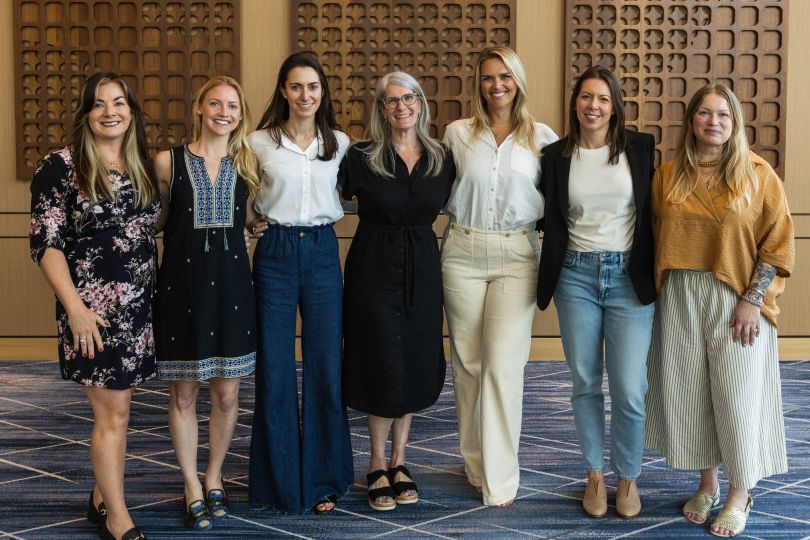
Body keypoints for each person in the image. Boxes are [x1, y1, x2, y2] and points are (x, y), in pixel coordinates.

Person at [644, 83, 794, 537]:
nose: (713, 122)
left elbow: (778, 242)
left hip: (736, 298)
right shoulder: (668, 175)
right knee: (690, 395)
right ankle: (706, 485)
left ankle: (739, 492)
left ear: (735, 124)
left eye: (723, 116)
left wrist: (752, 299)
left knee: (736, 396)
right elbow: (652, 235)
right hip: (678, 296)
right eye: (705, 114)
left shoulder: (758, 173)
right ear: (690, 121)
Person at [29, 72, 159, 540]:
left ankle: (101, 496)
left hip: (139, 309)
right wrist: (76, 309)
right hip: (92, 312)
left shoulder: (140, 164)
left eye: (119, 102)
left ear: (131, 110)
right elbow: (46, 244)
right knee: (114, 412)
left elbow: (147, 228)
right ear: (85, 113)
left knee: (122, 406)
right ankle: (118, 518)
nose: (110, 112)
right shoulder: (60, 167)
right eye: (99, 104)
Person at [536, 66, 656, 519]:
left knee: (629, 387)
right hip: (576, 277)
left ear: (615, 105)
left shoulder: (641, 148)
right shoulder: (554, 155)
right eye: (586, 97)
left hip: (628, 277)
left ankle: (628, 476)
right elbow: (539, 213)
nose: (593, 106)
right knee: (585, 382)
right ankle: (594, 474)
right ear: (575, 103)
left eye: (603, 99)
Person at [442, 47, 558, 507]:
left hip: (516, 252)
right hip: (462, 250)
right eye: (489, 78)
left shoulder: (543, 139)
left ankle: (501, 480)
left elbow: (559, 204)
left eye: (505, 77)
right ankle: (476, 463)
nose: (496, 85)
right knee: (468, 365)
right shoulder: (457, 134)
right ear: (479, 83)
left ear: (518, 81)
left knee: (503, 368)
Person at [340, 72, 456, 511]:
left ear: (421, 104)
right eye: (391, 101)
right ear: (381, 109)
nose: (401, 106)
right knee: (380, 358)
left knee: (411, 358)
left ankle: (401, 460)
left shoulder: (441, 156)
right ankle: (374, 462)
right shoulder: (361, 155)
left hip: (424, 265)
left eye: (409, 98)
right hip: (373, 265)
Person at [246, 52, 353, 514]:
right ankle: (279, 481)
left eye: (313, 87)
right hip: (276, 254)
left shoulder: (341, 143)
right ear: (283, 92)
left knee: (327, 364)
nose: (305, 95)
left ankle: (324, 478)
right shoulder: (257, 142)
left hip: (324, 252)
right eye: (296, 87)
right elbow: (241, 196)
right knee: (274, 366)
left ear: (322, 92)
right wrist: (252, 222)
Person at [153, 76, 260, 529]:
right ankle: (190, 482)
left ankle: (214, 476)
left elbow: (253, 220)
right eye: (215, 103)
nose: (223, 111)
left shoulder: (250, 163)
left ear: (240, 114)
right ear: (199, 108)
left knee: (228, 391)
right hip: (182, 287)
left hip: (233, 288)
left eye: (232, 105)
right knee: (183, 393)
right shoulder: (168, 162)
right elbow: (154, 220)